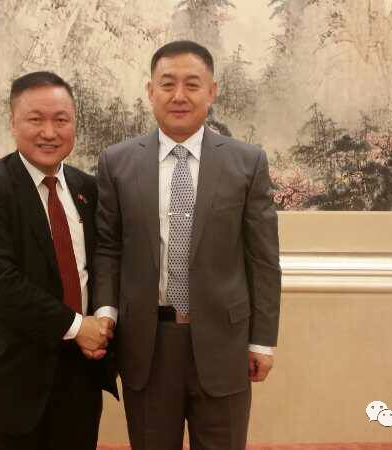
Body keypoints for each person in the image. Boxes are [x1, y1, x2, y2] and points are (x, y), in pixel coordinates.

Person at [94, 40, 281, 450]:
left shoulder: (247, 162)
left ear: (212, 92)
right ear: (150, 92)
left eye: (192, 85)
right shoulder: (117, 162)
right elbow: (108, 247)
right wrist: (105, 312)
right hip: (147, 344)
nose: (179, 95)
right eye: (167, 84)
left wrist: (262, 340)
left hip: (224, 343)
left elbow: (263, 259)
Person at [0, 71, 117, 450]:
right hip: (6, 379)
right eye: (35, 119)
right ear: (13, 123)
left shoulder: (88, 189)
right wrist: (77, 326)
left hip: (78, 375)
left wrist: (104, 317)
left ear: (75, 123)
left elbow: (104, 262)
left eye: (61, 120)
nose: (49, 132)